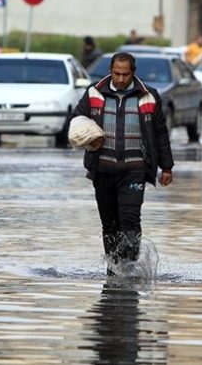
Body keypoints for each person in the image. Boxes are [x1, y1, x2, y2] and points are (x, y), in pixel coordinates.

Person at [70, 52, 174, 276]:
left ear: (133, 73)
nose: (120, 79)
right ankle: (113, 266)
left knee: (130, 218)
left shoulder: (148, 96)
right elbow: (77, 118)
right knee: (109, 223)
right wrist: (82, 133)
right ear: (110, 70)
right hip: (102, 170)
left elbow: (160, 133)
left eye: (125, 74)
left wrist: (167, 167)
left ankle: (128, 266)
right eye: (116, 74)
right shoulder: (94, 93)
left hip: (135, 170)